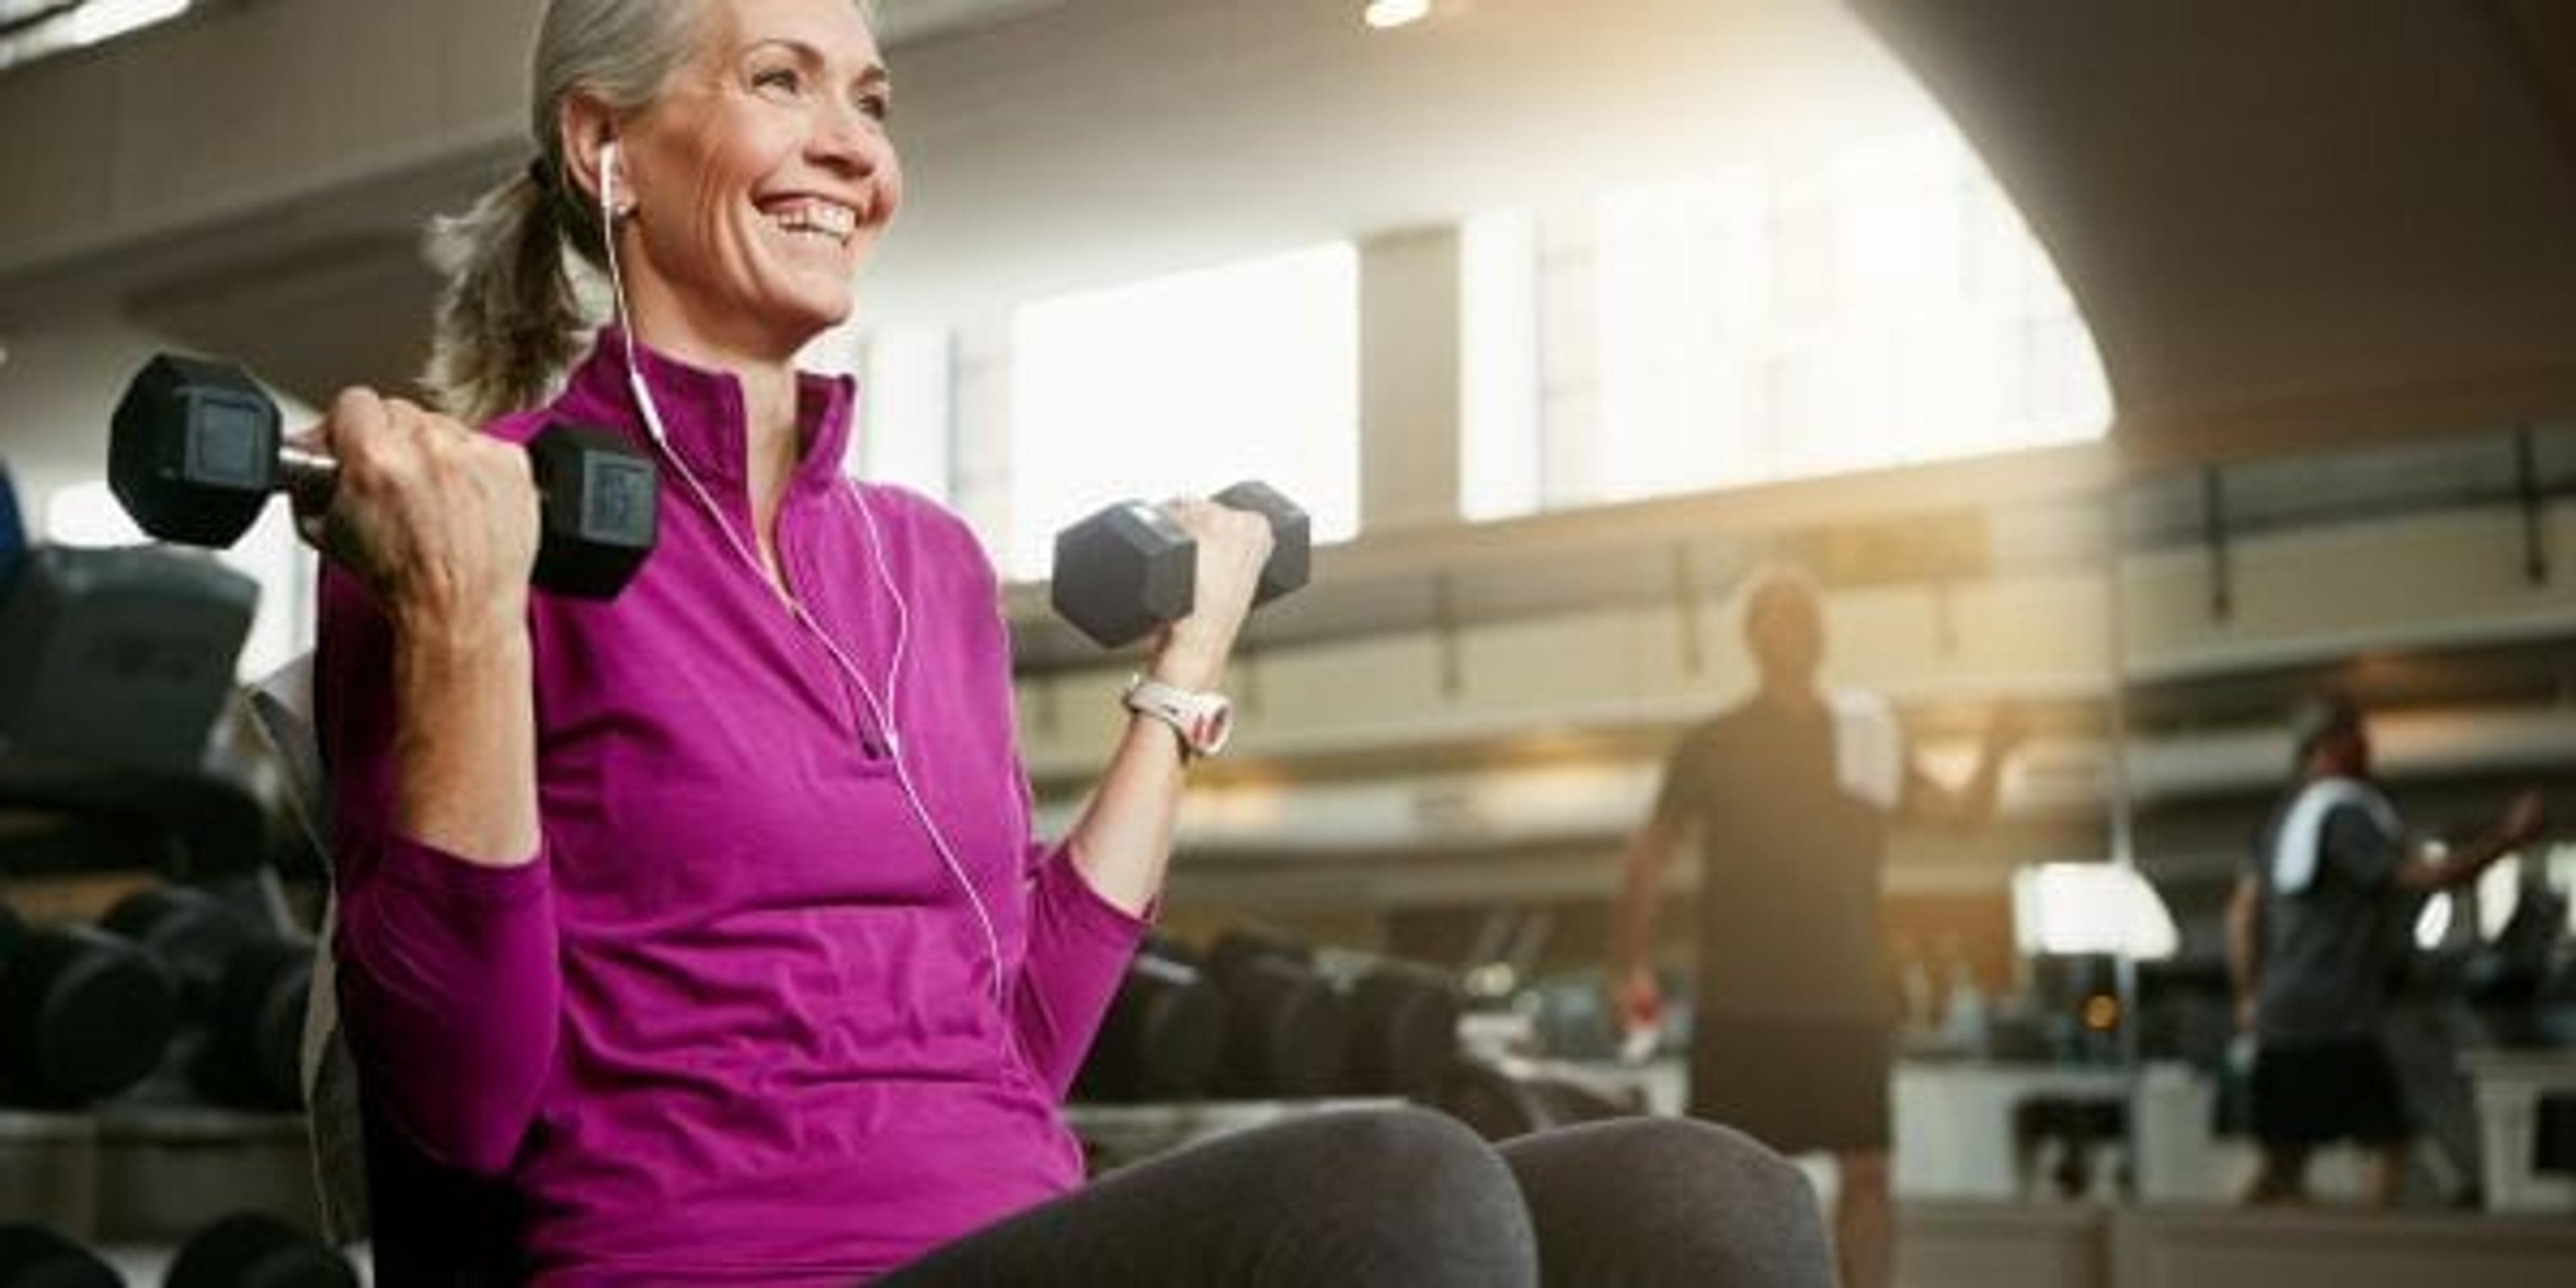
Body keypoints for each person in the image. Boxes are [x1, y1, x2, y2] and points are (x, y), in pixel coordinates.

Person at [299, 1, 1831, 1283]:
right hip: (731, 1259)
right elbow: (458, 1106)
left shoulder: (927, 566)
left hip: (1009, 1229)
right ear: (603, 146)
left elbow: (1018, 1041)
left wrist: (1185, 673)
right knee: (1395, 1189)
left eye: (872, 101)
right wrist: (466, 623)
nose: (853, 147)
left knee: (1712, 1201)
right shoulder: (470, 518)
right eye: (779, 81)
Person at [1609, 567, 2025, 1288]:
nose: (1793, 624)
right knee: (1727, 1180)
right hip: (1743, 1001)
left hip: (1845, 998)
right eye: (1776, 612)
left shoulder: (1865, 735)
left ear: (1823, 635)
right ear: (1752, 636)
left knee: (1868, 1173)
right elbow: (1649, 857)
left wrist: (1995, 752)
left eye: (1806, 612)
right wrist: (1627, 966)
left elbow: (1961, 818)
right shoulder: (1714, 742)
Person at [2224, 692, 2542, 1207]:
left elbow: (2240, 916)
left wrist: (2246, 996)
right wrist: (2510, 837)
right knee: (2385, 1146)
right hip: (2336, 1013)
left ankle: (2224, 1261)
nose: (2368, 745)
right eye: (2357, 735)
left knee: (2282, 1163)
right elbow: (2427, 876)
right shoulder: (2346, 814)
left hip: (2281, 1012)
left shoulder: (2279, 820)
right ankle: (2366, 1265)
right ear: (2330, 746)